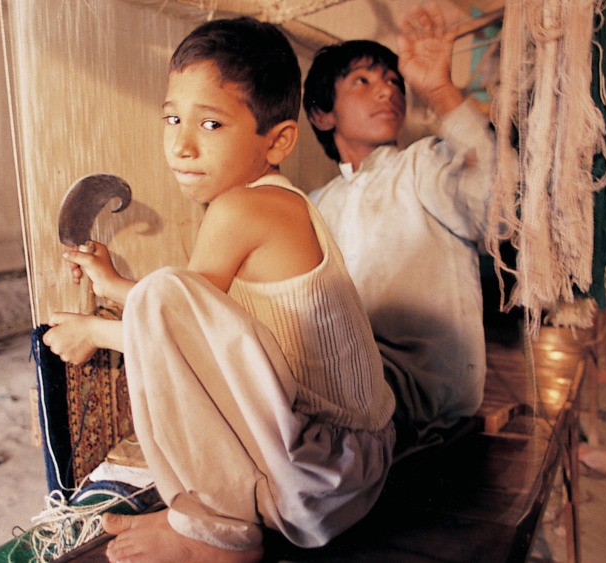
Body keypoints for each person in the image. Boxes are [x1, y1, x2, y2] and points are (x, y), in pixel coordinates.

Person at [42, 16, 396, 563]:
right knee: (165, 291)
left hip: (321, 477)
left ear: (276, 140)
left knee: (165, 289)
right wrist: (111, 283)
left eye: (210, 126)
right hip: (351, 470)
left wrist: (92, 330)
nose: (181, 144)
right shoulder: (277, 200)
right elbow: (197, 322)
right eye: (172, 117)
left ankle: (213, 534)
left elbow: (178, 332)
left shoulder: (244, 207)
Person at [302, 4, 497, 456]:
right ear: (321, 114)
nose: (387, 91)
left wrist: (439, 88)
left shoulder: (424, 164)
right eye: (363, 82)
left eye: (394, 82)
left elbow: (493, 201)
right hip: (354, 383)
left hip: (424, 392)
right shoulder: (317, 205)